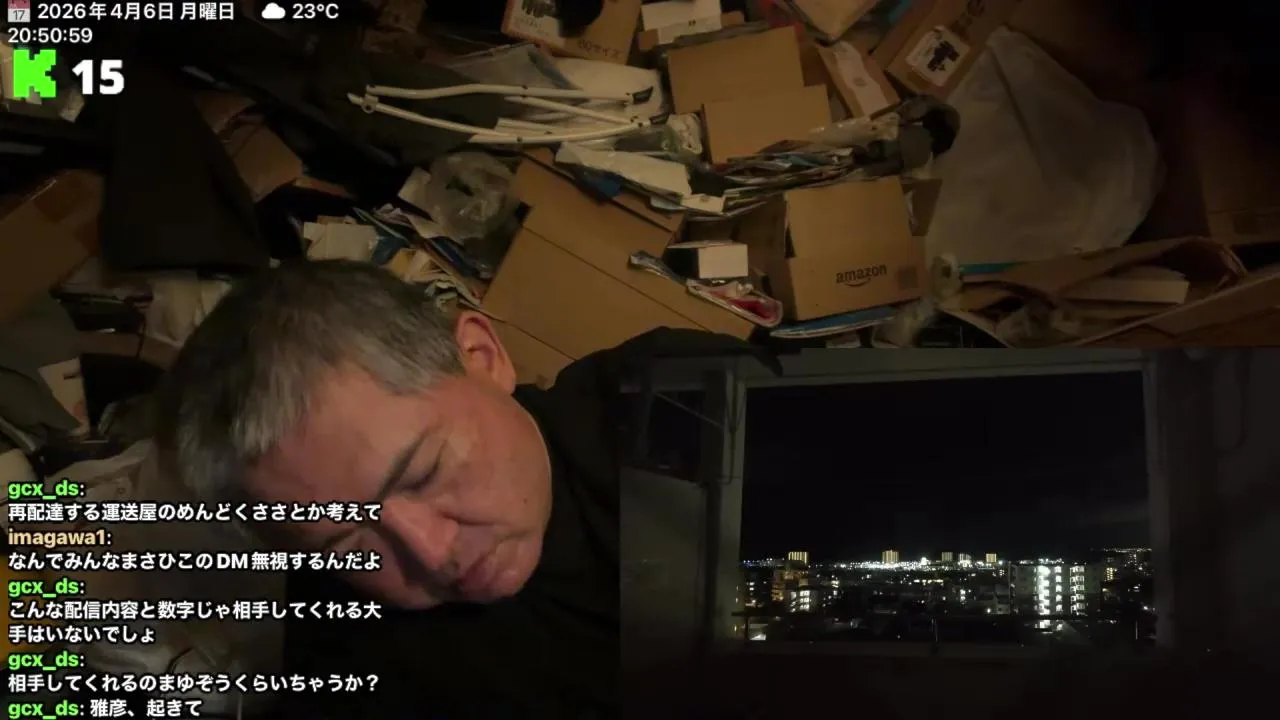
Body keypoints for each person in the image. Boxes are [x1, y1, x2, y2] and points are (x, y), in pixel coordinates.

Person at [155, 260, 637, 718]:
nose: (431, 554)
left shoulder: (665, 410)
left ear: (482, 358)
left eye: (425, 472)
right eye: (347, 546)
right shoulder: (353, 670)